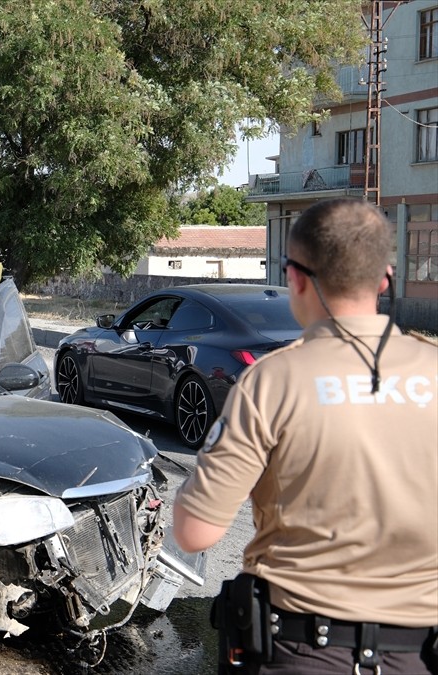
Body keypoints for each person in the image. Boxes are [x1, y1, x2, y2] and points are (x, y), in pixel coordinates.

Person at [174, 198, 438, 675]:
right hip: (420, 654)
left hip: (298, 650)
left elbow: (195, 533)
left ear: (294, 277)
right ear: (385, 280)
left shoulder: (272, 380)